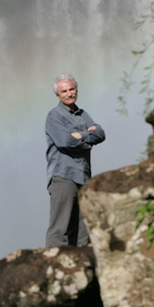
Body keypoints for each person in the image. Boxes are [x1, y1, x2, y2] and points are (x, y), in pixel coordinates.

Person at [44, 74, 105, 247]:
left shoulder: (82, 114)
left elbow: (100, 134)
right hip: (64, 176)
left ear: (76, 90)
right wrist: (88, 135)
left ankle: (81, 265)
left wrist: (80, 135)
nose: (69, 93)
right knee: (60, 228)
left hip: (83, 176)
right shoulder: (54, 116)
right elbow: (65, 142)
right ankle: (56, 267)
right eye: (64, 91)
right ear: (58, 95)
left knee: (83, 228)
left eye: (72, 89)